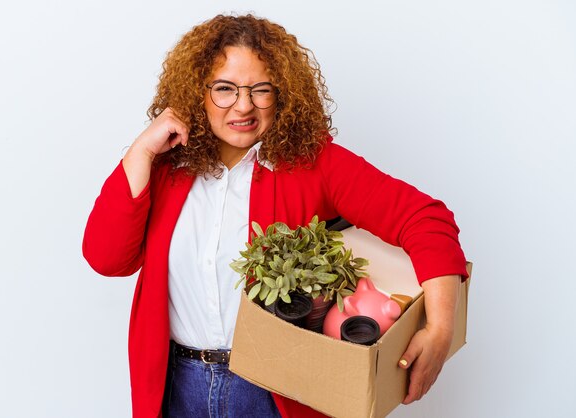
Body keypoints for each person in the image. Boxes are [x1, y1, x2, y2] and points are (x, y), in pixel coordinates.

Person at [83, 13, 468, 418]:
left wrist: (440, 329)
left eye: (260, 90)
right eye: (225, 89)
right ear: (198, 91)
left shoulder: (315, 164)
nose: (243, 106)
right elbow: (107, 259)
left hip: (277, 391)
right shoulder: (164, 168)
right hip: (176, 387)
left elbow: (426, 220)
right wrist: (139, 152)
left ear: (282, 93)